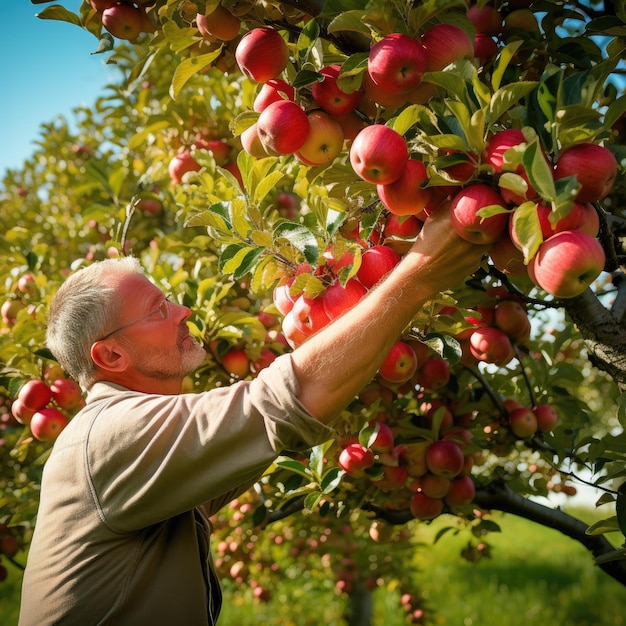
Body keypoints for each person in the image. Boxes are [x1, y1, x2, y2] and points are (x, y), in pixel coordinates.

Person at [18, 208, 486, 625]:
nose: (183, 310)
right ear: (112, 354)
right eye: (158, 309)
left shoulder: (131, 445)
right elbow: (279, 408)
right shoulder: (109, 437)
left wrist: (336, 322)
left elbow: (270, 430)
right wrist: (420, 275)